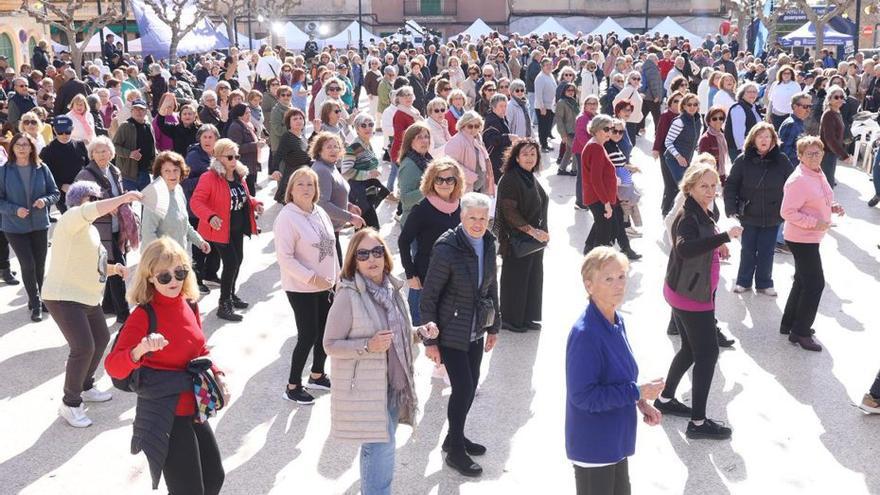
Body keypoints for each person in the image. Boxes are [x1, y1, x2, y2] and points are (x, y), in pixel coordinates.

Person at [105, 237, 228, 494]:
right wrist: (140, 349)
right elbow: (113, 366)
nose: (173, 281)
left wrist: (218, 375)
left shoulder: (189, 304)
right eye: (164, 276)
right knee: (188, 490)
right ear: (150, 277)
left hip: (195, 404)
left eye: (179, 272)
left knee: (214, 477)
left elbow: (200, 350)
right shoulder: (143, 315)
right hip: (166, 413)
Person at [324, 228, 435, 495]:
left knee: (380, 445)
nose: (371, 259)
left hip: (394, 383)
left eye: (376, 252)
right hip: (367, 388)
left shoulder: (392, 289)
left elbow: (397, 337)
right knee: (380, 446)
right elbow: (330, 344)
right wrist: (367, 345)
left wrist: (419, 333)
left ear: (385, 256)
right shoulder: (348, 296)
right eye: (363, 254)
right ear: (354, 260)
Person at [654, 163, 743, 440]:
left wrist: (719, 244)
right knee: (708, 353)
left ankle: (666, 400)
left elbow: (702, 241)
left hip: (684, 290)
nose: (710, 191)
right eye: (704, 186)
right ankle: (698, 422)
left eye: (714, 186)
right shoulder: (688, 216)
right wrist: (723, 237)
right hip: (692, 297)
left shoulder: (702, 211)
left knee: (690, 350)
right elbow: (684, 248)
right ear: (689, 188)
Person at [566, 247, 664, 495]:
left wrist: (641, 401)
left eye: (622, 276)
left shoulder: (616, 320)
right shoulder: (585, 333)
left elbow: (618, 377)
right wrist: (636, 392)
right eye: (608, 278)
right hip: (595, 445)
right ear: (589, 286)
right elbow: (583, 396)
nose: (618, 284)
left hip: (614, 441)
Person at [44, 182, 141, 427]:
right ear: (82, 200)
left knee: (100, 340)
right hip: (63, 296)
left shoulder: (91, 231)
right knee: (83, 347)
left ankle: (85, 385)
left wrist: (114, 269)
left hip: (87, 296)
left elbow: (93, 265)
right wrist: (124, 197)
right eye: (94, 198)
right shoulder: (71, 218)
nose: (100, 202)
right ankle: (70, 402)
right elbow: (91, 209)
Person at [420, 192, 500, 477]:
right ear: (461, 217)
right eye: (472, 218)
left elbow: (491, 286)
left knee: (472, 383)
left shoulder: (489, 242)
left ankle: (455, 436)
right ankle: (455, 452)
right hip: (451, 331)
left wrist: (494, 326)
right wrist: (430, 341)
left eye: (483, 218)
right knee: (463, 388)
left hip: (477, 328)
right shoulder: (446, 248)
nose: (478, 224)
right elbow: (428, 297)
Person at [274, 167, 339, 405]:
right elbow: (285, 258)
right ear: (290, 189)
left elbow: (331, 248)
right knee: (307, 335)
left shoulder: (319, 211)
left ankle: (317, 374)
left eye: (310, 184)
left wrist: (338, 277)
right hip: (301, 287)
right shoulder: (287, 218)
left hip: (326, 285)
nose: (305, 189)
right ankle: (292, 386)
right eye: (300, 184)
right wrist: (312, 278)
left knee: (325, 332)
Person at [780, 137, 844, 352]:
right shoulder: (798, 179)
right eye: (809, 154)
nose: (815, 157)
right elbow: (787, 212)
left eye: (818, 153)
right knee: (815, 284)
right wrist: (816, 223)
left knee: (802, 281)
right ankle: (800, 332)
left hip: (811, 237)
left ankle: (789, 323)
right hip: (801, 238)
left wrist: (832, 207)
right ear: (799, 156)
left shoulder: (817, 172)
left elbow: (816, 199)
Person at [190, 138, 263, 322]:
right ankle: (224, 304)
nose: (234, 160)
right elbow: (196, 202)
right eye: (230, 157)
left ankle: (230, 295)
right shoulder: (209, 177)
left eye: (236, 156)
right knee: (231, 263)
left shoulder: (238, 175)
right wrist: (210, 216)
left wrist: (255, 203)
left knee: (238, 261)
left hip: (237, 227)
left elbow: (243, 197)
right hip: (219, 229)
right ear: (218, 157)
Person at [723, 123, 793, 296]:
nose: (764, 139)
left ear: (773, 140)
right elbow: (731, 185)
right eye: (760, 136)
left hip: (773, 215)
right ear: (753, 139)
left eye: (768, 136)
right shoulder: (742, 160)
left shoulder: (782, 160)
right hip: (748, 214)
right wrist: (731, 209)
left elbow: (793, 185)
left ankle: (764, 283)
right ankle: (743, 281)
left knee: (767, 251)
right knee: (747, 249)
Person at [398, 157, 464, 327]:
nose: (444, 183)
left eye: (450, 179)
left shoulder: (461, 206)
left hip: (453, 276)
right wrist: (410, 274)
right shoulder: (422, 208)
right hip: (426, 276)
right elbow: (404, 241)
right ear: (431, 181)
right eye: (439, 179)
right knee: (423, 329)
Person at [75, 136, 134, 324]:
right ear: (91, 154)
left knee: (111, 266)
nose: (101, 154)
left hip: (118, 228)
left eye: (105, 150)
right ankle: (123, 313)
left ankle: (108, 305)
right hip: (100, 230)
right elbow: (80, 203)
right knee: (117, 268)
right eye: (97, 151)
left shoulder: (114, 170)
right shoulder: (86, 175)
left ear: (111, 152)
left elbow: (119, 194)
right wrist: (105, 206)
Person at [0, 133, 59, 321]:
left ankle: (39, 297)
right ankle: (36, 303)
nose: (22, 148)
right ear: (12, 148)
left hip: (40, 224)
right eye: (18, 144)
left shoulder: (42, 168)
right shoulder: (4, 171)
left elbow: (55, 193)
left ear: (32, 148)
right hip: (14, 227)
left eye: (26, 145)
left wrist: (44, 200)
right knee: (28, 264)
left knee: (40, 266)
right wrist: (14, 210)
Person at [494, 139, 549, 333]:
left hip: (533, 240)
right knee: (516, 279)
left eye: (533, 154)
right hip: (517, 239)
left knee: (532, 277)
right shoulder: (511, 178)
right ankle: (511, 319)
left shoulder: (529, 176)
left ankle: (527, 317)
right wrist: (533, 231)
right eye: (525, 154)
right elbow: (509, 212)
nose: (529, 158)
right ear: (516, 157)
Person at [581, 115, 639, 260]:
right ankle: (598, 263)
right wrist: (606, 203)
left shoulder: (597, 145)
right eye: (606, 129)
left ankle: (591, 250)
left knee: (607, 225)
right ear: (596, 129)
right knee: (604, 235)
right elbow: (596, 179)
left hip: (604, 196)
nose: (609, 132)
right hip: (600, 198)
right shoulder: (596, 148)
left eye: (611, 129)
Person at [141, 151, 211, 258]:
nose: (172, 175)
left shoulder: (178, 189)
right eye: (167, 171)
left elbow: (184, 224)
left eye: (175, 170)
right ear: (160, 173)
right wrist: (165, 258)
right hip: (159, 261)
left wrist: (200, 241)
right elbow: (148, 235)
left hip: (179, 257)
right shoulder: (153, 197)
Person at [311, 132, 365, 263]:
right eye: (328, 147)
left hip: (332, 230)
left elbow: (334, 194)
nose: (333, 150)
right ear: (319, 151)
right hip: (324, 232)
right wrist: (350, 217)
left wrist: (349, 205)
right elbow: (323, 204)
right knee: (331, 273)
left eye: (336, 146)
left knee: (335, 270)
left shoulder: (331, 166)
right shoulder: (322, 170)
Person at [342, 113, 385, 229]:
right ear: (357, 129)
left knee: (366, 228)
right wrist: (368, 174)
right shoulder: (355, 146)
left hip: (368, 191)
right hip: (359, 194)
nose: (368, 128)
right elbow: (346, 171)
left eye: (371, 124)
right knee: (369, 228)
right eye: (363, 125)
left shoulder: (366, 143)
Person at [39, 115, 89, 213]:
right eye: (60, 132)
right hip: (62, 194)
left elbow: (88, 167)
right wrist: (61, 185)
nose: (64, 135)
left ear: (72, 129)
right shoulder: (47, 151)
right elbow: (45, 175)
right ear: (54, 130)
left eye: (67, 131)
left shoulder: (80, 145)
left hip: (82, 190)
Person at [444, 111, 495, 195]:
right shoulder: (457, 141)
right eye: (470, 126)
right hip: (465, 188)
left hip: (479, 187)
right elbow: (450, 164)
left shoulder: (478, 139)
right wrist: (472, 177)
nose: (474, 129)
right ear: (463, 126)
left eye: (476, 126)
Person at [113, 98, 157, 191]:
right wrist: (130, 154)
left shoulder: (148, 126)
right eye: (136, 109)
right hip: (127, 174)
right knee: (126, 204)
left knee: (147, 202)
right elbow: (114, 147)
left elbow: (152, 147)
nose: (139, 112)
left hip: (144, 172)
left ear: (146, 112)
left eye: (141, 109)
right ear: (131, 111)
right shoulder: (125, 126)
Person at [270, 107, 311, 204]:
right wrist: (275, 170)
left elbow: (310, 151)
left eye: (300, 118)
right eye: (295, 119)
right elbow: (278, 155)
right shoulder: (287, 137)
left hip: (304, 177)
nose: (298, 121)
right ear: (289, 123)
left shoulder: (302, 137)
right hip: (292, 179)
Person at [397, 123, 435, 224]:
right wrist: (430, 189)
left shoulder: (426, 158)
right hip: (413, 222)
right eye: (419, 137)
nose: (425, 140)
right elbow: (405, 199)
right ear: (410, 142)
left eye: (426, 137)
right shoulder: (409, 165)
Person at [818, 85, 853, 188]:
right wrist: (844, 155)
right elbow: (830, 139)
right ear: (829, 99)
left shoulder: (837, 112)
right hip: (827, 153)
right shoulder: (829, 114)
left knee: (828, 183)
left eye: (842, 97)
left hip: (832, 153)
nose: (839, 99)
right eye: (836, 97)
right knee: (827, 184)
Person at [226, 103, 264, 194]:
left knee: (252, 190)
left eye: (249, 113)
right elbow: (236, 148)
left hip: (252, 163)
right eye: (246, 113)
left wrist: (258, 140)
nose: (249, 115)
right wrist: (255, 145)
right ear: (239, 115)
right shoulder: (235, 127)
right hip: (244, 164)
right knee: (249, 192)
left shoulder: (248, 125)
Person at [572, 96, 599, 209]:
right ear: (585, 105)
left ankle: (586, 199)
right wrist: (592, 149)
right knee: (582, 177)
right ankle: (580, 202)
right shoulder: (582, 118)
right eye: (589, 103)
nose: (592, 106)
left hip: (590, 150)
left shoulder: (595, 117)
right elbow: (581, 136)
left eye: (594, 103)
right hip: (582, 151)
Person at [723, 81, 761, 161]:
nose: (752, 94)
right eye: (749, 92)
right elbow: (738, 133)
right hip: (739, 149)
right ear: (742, 94)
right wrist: (743, 151)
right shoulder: (738, 108)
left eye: (754, 92)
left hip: (751, 147)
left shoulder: (753, 107)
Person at [482, 93, 515, 181]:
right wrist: (508, 137)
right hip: (495, 161)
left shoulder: (501, 118)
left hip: (503, 158)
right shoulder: (492, 120)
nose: (504, 108)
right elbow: (492, 140)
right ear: (493, 107)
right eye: (501, 106)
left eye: (505, 106)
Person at [697, 107, 729, 183]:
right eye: (714, 119)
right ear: (709, 121)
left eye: (721, 118)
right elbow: (702, 163)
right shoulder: (705, 138)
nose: (718, 121)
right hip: (711, 177)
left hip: (722, 175)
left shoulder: (721, 136)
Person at [554, 82, 579, 176]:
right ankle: (574, 170)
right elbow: (559, 119)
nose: (571, 92)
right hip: (568, 132)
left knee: (569, 151)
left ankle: (562, 169)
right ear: (564, 91)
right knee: (576, 150)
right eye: (568, 90)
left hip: (575, 130)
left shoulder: (573, 101)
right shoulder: (561, 102)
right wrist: (563, 134)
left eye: (573, 90)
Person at [613, 71, 644, 145]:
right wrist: (620, 114)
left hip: (632, 120)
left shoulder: (633, 89)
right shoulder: (629, 89)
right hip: (628, 120)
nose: (636, 80)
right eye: (634, 78)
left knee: (630, 143)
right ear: (629, 79)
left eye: (638, 79)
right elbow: (615, 101)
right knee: (629, 143)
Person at [534, 58, 558, 152]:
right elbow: (538, 94)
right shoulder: (540, 78)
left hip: (551, 107)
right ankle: (543, 145)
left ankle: (546, 144)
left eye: (550, 64)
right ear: (542, 67)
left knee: (548, 127)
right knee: (543, 127)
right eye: (547, 65)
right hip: (543, 107)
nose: (549, 66)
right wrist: (542, 107)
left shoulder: (550, 75)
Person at [767, 65, 800, 130]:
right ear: (781, 74)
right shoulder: (775, 84)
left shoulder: (795, 86)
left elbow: (798, 101)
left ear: (791, 75)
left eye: (788, 73)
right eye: (784, 73)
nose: (786, 75)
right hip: (776, 114)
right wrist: (768, 114)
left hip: (789, 115)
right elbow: (771, 101)